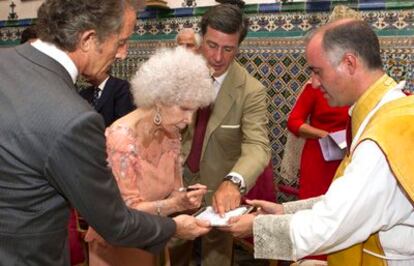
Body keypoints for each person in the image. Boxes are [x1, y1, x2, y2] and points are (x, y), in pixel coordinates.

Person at [0, 1, 210, 265]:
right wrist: (175, 228)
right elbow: (114, 223)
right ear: (89, 38)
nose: (123, 54)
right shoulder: (74, 119)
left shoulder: (5, 61)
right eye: (121, 42)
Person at [224, 19, 414, 265]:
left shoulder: (384, 136)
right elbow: (353, 201)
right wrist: (285, 211)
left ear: (349, 63)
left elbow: (332, 223)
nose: (313, 82)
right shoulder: (390, 110)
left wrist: (258, 228)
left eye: (317, 71)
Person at [85, 46, 215, 266]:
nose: (189, 120)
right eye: (184, 108)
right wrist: (175, 206)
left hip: (154, 241)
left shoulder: (171, 133)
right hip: (119, 249)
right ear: (159, 99)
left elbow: (174, 190)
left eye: (194, 111)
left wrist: (186, 199)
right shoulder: (121, 138)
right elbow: (125, 212)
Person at [169, 4, 270, 266]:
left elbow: (257, 146)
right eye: (212, 45)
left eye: (228, 49)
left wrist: (234, 181)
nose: (217, 57)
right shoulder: (181, 76)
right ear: (202, 38)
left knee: (216, 259)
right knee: (172, 253)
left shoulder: (251, 91)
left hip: (219, 194)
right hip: (174, 186)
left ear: (239, 47)